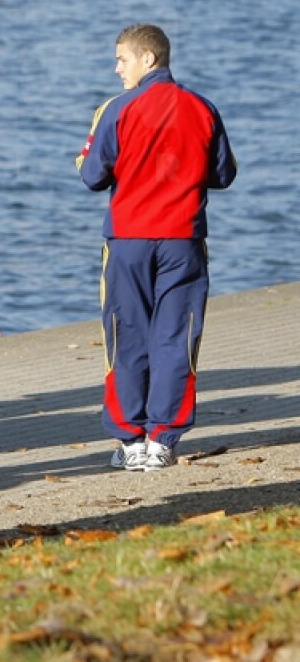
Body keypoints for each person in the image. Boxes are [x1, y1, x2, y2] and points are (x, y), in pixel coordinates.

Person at [77, 23, 237, 471]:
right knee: (177, 336)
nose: (116, 68)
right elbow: (224, 173)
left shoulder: (117, 109)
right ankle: (163, 439)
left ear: (149, 59)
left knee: (126, 335)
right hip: (182, 237)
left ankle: (130, 440)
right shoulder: (202, 107)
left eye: (121, 59)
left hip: (128, 239)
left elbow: (91, 176)